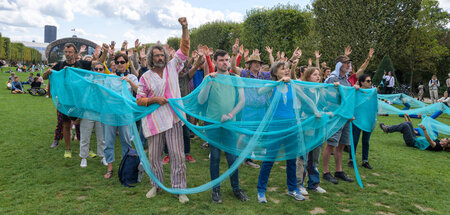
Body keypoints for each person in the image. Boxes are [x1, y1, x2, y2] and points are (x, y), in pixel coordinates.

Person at [136, 17, 190, 203]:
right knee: (154, 156)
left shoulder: (172, 67)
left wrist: (184, 27)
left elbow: (184, 49)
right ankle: (155, 185)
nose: (159, 58)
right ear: (151, 58)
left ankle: (179, 189)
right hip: (153, 121)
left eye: (161, 55)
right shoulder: (145, 77)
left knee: (177, 154)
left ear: (165, 57)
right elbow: (139, 100)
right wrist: (154, 100)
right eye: (156, 56)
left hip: (174, 119)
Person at [256, 61, 319, 203]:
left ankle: (293, 189)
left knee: (291, 160)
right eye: (282, 69)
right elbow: (260, 91)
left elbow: (306, 98)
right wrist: (278, 82)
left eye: (287, 69)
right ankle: (261, 191)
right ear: (275, 72)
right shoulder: (272, 86)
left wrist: (315, 111)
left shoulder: (292, 85)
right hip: (276, 127)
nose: (286, 71)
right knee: (269, 160)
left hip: (291, 126)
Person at [197, 49, 249, 203]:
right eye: (221, 60)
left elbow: (242, 101)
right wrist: (208, 82)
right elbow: (200, 100)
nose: (225, 63)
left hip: (230, 123)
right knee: (215, 157)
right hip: (212, 123)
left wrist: (231, 115)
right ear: (214, 62)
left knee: (232, 157)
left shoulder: (236, 78)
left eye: (226, 59)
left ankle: (236, 189)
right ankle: (216, 190)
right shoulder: (209, 78)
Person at [43, 42, 107, 158]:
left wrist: (106, 52)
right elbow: (44, 77)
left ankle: (87, 148)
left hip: (80, 100)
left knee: (82, 126)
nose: (67, 54)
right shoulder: (60, 65)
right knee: (66, 126)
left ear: (75, 53)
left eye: (70, 52)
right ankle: (68, 149)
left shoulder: (81, 64)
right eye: (66, 52)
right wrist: (47, 73)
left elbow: (98, 62)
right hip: (65, 101)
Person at [322, 55, 357, 184]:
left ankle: (339, 170)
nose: (349, 65)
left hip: (345, 118)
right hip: (336, 117)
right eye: (346, 63)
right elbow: (328, 97)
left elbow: (348, 98)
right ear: (339, 65)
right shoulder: (333, 79)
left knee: (341, 145)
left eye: (349, 63)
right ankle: (326, 172)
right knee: (331, 144)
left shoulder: (347, 81)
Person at [103, 52, 137, 178]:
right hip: (110, 112)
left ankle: (125, 166)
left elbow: (139, 90)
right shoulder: (110, 77)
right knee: (109, 141)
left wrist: (128, 81)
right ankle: (110, 167)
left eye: (122, 62)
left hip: (125, 113)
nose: (120, 64)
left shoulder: (132, 77)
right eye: (117, 62)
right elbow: (105, 93)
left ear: (126, 63)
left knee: (126, 140)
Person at [296, 67, 327, 195]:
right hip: (307, 126)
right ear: (308, 76)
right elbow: (306, 106)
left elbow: (324, 105)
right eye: (314, 75)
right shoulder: (304, 89)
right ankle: (299, 184)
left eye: (319, 74)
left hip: (318, 127)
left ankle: (313, 183)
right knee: (303, 155)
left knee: (315, 157)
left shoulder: (320, 91)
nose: (318, 77)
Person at [79, 63, 107, 168]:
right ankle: (83, 157)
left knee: (102, 137)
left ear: (104, 70)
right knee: (85, 136)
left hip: (101, 113)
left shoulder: (106, 82)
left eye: (101, 69)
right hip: (88, 112)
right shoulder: (87, 81)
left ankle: (103, 156)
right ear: (93, 70)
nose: (99, 71)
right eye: (96, 69)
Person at [379, 115, 449, 152]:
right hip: (414, 138)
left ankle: (387, 129)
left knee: (405, 126)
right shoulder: (438, 141)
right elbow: (412, 129)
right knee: (408, 123)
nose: (444, 139)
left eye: (446, 139)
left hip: (412, 142)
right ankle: (388, 128)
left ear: (447, 144)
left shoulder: (438, 147)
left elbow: (429, 140)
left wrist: (424, 130)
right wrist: (408, 117)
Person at [348, 74, 374, 169]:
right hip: (357, 119)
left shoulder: (372, 93)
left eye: (370, 81)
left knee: (366, 141)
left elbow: (374, 107)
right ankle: (351, 159)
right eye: (368, 81)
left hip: (368, 119)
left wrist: (373, 120)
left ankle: (365, 161)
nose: (370, 82)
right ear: (362, 82)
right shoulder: (356, 92)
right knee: (354, 140)